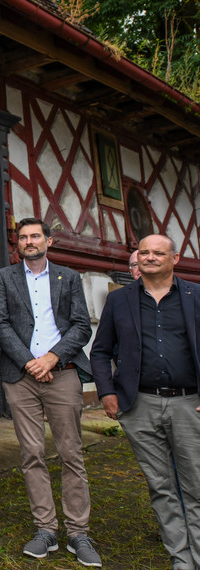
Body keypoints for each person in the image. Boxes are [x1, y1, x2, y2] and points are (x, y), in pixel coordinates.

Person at [0, 217, 101, 567]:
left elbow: (82, 325)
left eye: (35, 235)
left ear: (48, 241)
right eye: (22, 237)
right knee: (32, 453)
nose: (28, 241)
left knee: (72, 453)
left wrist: (52, 358)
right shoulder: (4, 277)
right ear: (17, 244)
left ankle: (78, 533)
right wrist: (30, 362)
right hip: (20, 376)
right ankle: (45, 530)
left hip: (63, 373)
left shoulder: (68, 277)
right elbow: (1, 323)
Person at [91, 234, 200, 570]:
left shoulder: (195, 295)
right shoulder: (120, 300)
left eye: (158, 252)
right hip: (139, 406)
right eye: (143, 252)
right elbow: (100, 351)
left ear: (175, 258)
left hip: (188, 403)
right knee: (161, 486)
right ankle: (181, 560)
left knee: (196, 485)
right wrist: (107, 393)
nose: (149, 257)